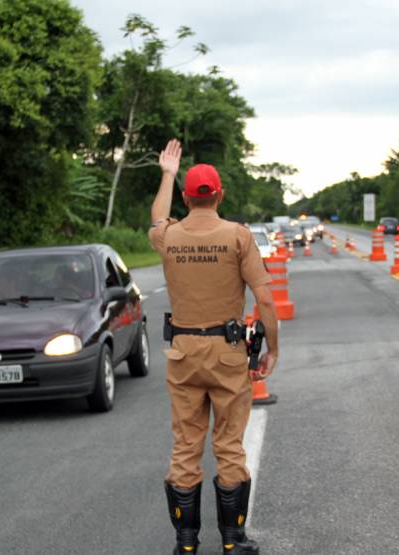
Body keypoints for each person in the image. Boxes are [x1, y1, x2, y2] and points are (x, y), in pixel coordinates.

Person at [149, 139, 279, 554]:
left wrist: (167, 174)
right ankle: (232, 540)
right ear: (219, 195)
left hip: (183, 352)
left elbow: (157, 217)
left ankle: (186, 543)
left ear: (187, 198)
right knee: (228, 445)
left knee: (186, 446)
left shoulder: (169, 236)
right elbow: (265, 299)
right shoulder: (238, 237)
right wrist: (272, 348)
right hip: (227, 353)